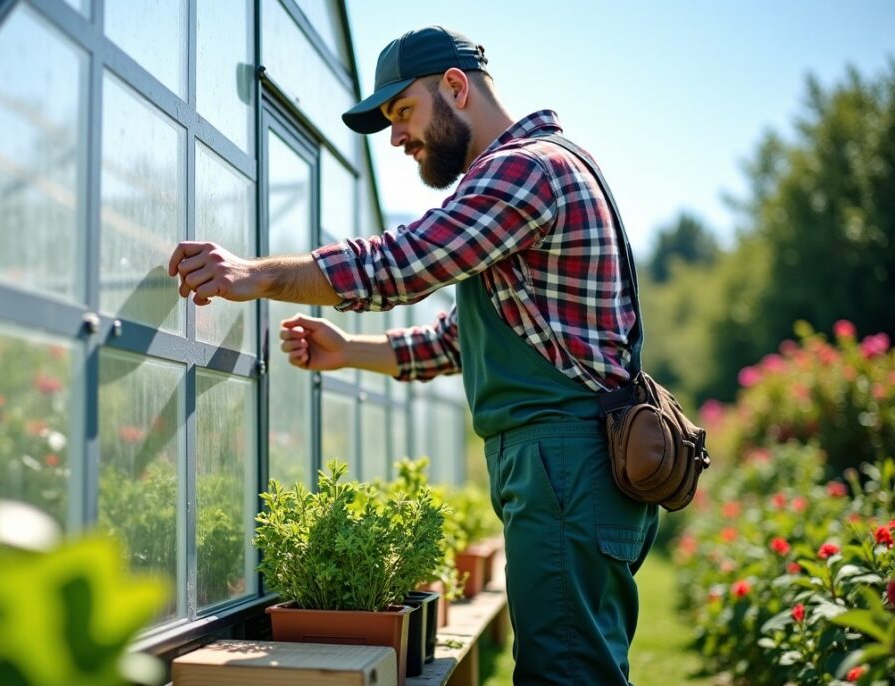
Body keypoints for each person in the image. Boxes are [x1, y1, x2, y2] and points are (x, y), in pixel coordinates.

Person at [168, 25, 658, 685]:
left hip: (565, 461)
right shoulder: (528, 177)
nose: (396, 137)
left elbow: (404, 262)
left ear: (455, 87)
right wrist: (347, 351)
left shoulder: (526, 169)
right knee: (570, 665)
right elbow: (456, 340)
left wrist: (258, 275)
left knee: (566, 674)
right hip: (563, 464)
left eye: (403, 112)